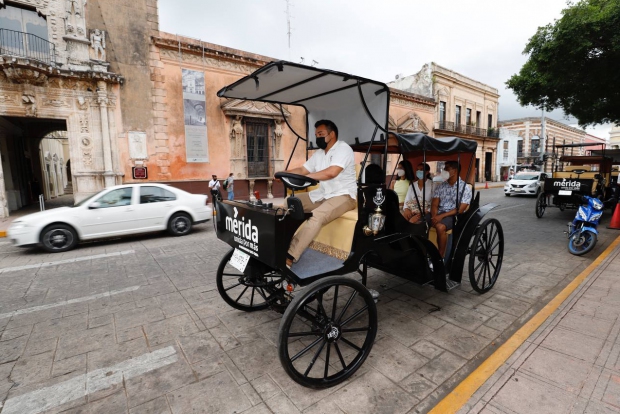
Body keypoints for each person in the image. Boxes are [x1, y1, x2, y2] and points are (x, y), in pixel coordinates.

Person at [281, 120, 357, 268]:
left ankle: (290, 256)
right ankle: (281, 242)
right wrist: (283, 174)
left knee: (317, 216)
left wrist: (307, 177)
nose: (318, 138)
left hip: (344, 196)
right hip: (323, 194)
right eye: (316, 135)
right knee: (288, 202)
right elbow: (303, 170)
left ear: (332, 134)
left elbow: (331, 173)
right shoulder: (319, 154)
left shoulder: (343, 149)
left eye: (321, 134)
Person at [431, 161, 472, 257]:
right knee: (418, 222)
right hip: (438, 213)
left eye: (447, 169)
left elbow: (460, 209)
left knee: (440, 227)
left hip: (452, 215)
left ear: (455, 171)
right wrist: (434, 217)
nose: (444, 171)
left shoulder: (465, 188)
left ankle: (440, 256)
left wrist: (441, 216)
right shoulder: (441, 186)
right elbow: (434, 204)